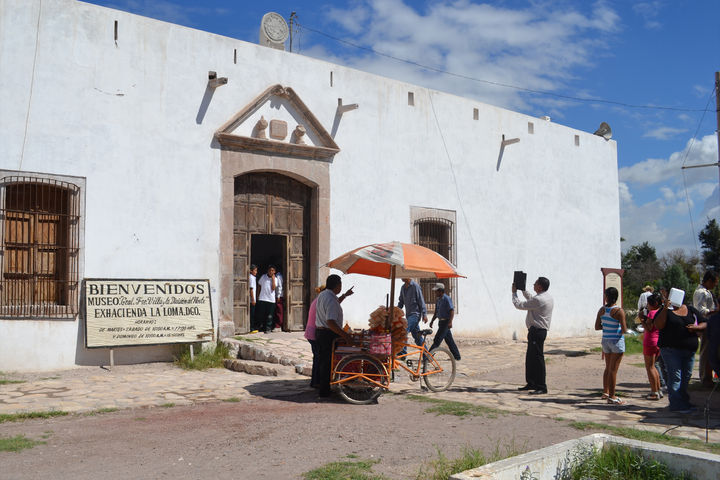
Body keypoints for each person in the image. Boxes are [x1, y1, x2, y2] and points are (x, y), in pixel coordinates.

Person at [655, 290, 706, 413]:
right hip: (670, 350)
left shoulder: (690, 309)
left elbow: (705, 322)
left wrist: (697, 327)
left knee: (686, 376)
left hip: (689, 350)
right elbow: (658, 325)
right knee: (675, 377)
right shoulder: (665, 311)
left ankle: (683, 401)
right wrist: (665, 309)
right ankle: (676, 405)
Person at [314, 274, 355, 398]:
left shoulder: (324, 295)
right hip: (327, 334)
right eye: (340, 285)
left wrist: (345, 295)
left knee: (324, 362)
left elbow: (335, 303)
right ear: (338, 285)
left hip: (321, 332)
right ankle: (324, 391)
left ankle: (324, 388)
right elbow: (330, 322)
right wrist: (346, 336)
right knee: (326, 363)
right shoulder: (330, 299)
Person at [512, 276, 553, 395]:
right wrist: (523, 289)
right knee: (530, 358)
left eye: (535, 283)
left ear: (540, 286)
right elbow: (531, 299)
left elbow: (519, 305)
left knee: (537, 359)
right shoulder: (546, 297)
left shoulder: (539, 300)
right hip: (537, 331)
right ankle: (531, 382)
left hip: (537, 332)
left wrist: (514, 293)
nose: (533, 285)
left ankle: (541, 386)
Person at [595, 287, 627, 405]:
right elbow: (624, 329)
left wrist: (607, 326)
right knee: (614, 369)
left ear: (606, 296)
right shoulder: (619, 311)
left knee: (608, 368)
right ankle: (612, 396)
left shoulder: (602, 310)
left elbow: (597, 327)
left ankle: (606, 392)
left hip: (606, 340)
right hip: (616, 341)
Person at [693, 271, 718, 388]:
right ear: (709, 281)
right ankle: (705, 377)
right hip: (706, 323)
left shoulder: (707, 292)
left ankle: (709, 376)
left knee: (711, 351)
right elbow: (700, 310)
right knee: (706, 352)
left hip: (711, 324)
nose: (715, 285)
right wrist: (715, 311)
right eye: (714, 282)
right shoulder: (701, 293)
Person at [397, 278, 429, 360]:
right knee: (418, 337)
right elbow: (401, 302)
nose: (401, 278)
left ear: (408, 276)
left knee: (404, 330)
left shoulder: (415, 286)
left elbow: (421, 301)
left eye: (403, 276)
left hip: (415, 315)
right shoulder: (403, 288)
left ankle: (403, 354)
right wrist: (396, 311)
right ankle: (427, 356)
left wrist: (424, 314)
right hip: (409, 316)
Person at [639, 292, 663, 400]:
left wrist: (642, 320)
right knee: (654, 366)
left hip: (650, 341)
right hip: (658, 341)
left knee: (650, 367)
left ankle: (654, 392)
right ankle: (658, 389)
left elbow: (648, 328)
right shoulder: (660, 312)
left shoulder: (652, 313)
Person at [429, 283, 461, 361]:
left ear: (440, 291)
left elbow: (451, 311)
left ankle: (428, 356)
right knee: (449, 341)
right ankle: (457, 356)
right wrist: (432, 321)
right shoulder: (438, 300)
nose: (435, 293)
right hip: (441, 322)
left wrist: (450, 322)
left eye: (436, 291)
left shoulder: (447, 299)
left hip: (446, 322)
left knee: (437, 340)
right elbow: (436, 312)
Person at [304, 285, 325, 389]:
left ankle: (315, 381)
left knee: (317, 357)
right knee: (318, 357)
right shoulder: (320, 302)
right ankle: (316, 381)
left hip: (311, 332)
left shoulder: (317, 300)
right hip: (314, 333)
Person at [256, 265, 277, 333]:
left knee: (270, 315)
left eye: (272, 270)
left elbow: (273, 288)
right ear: (267, 271)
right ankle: (261, 327)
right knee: (261, 314)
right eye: (270, 270)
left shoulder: (275, 279)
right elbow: (259, 285)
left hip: (271, 300)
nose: (271, 272)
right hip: (262, 298)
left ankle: (268, 328)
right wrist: (257, 295)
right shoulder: (263, 277)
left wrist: (273, 279)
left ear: (274, 271)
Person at [248, 264, 258, 333]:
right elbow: (251, 289)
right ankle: (251, 328)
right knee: (252, 314)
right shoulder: (251, 277)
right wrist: (253, 299)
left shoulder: (253, 277)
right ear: (251, 271)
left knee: (253, 313)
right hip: (252, 299)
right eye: (255, 270)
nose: (256, 272)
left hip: (253, 298)